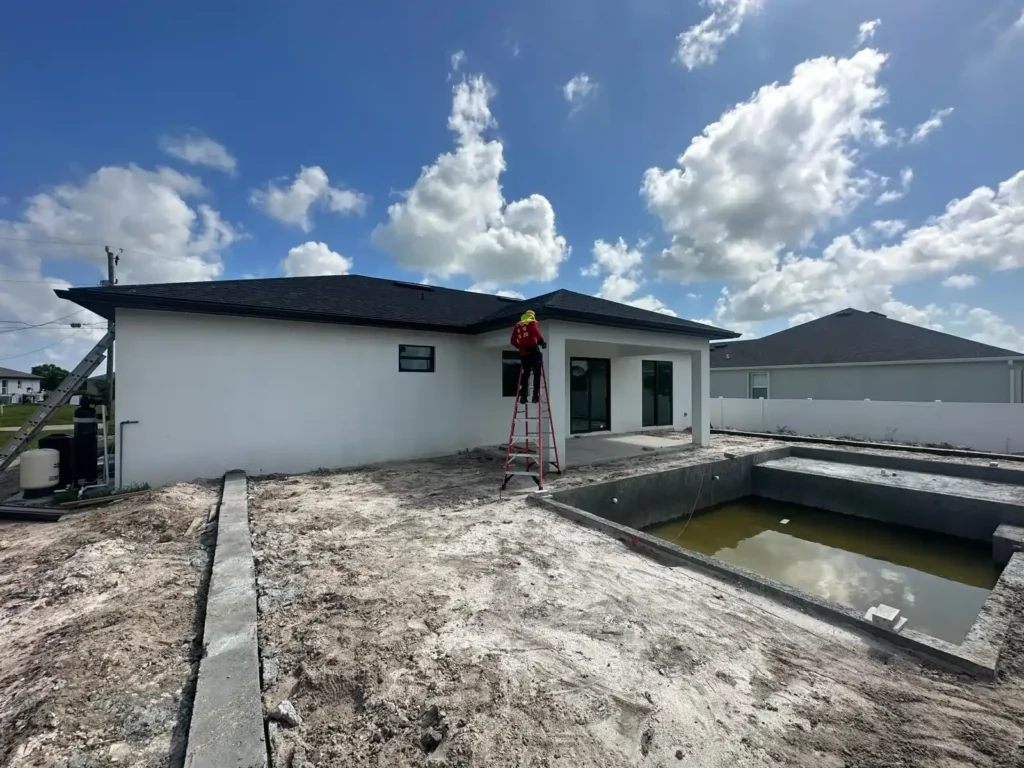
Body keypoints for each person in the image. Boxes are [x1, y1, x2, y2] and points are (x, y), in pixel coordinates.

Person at [510, 310, 547, 403]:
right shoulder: (531, 322)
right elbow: (535, 332)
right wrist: (541, 341)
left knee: (525, 374)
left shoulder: (517, 325)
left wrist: (520, 347)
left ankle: (523, 396)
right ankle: (535, 396)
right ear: (532, 316)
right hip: (533, 351)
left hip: (524, 353)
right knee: (537, 373)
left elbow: (513, 341)